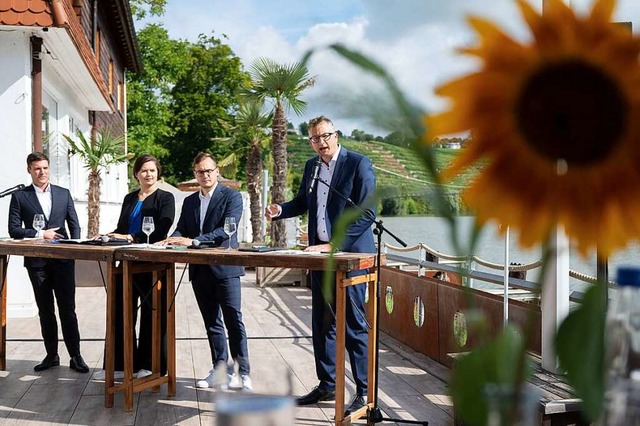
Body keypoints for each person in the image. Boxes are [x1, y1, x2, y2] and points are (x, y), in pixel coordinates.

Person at [265, 115, 376, 416]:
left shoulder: (358, 163)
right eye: (315, 138)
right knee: (323, 323)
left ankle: (365, 393)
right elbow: (303, 202)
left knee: (354, 326)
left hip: (349, 257)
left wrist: (334, 244)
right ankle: (327, 384)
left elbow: (367, 213)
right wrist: (280, 210)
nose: (321, 143)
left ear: (336, 135)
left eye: (326, 136)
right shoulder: (312, 167)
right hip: (319, 258)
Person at [160, 153, 252, 391]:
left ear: (217, 171)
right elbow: (182, 228)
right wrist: (173, 239)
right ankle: (219, 368)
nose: (205, 175)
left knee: (234, 321)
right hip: (199, 270)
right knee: (212, 322)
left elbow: (227, 231)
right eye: (201, 172)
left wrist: (194, 242)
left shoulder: (232, 197)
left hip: (226, 268)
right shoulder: (190, 201)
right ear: (195, 174)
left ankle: (243, 373)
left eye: (209, 170)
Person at [93, 154, 175, 380]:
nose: (149, 174)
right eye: (144, 171)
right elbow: (122, 227)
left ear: (158, 172)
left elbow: (161, 229)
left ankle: (150, 365)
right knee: (119, 311)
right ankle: (118, 365)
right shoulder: (129, 198)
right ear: (136, 174)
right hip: (125, 262)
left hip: (152, 263)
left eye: (152, 170)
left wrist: (130, 237)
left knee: (152, 313)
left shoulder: (165, 198)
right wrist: (111, 236)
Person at [8, 151, 89, 373]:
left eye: (44, 168)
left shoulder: (63, 194)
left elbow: (75, 226)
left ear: (49, 168)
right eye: (37, 169)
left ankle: (76, 356)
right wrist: (39, 234)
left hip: (63, 261)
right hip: (37, 263)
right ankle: (51, 355)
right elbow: (14, 230)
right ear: (29, 171)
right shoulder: (20, 197)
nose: (41, 172)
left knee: (68, 309)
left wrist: (74, 251)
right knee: (45, 310)